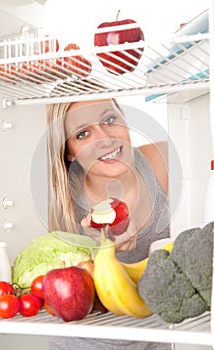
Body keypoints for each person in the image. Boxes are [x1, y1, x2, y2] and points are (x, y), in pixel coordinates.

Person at [46, 98, 171, 350]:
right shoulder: (62, 202)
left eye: (110, 119)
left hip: (163, 339)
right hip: (83, 344)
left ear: (124, 117)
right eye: (82, 134)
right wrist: (98, 250)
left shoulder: (161, 161)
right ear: (69, 151)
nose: (105, 139)